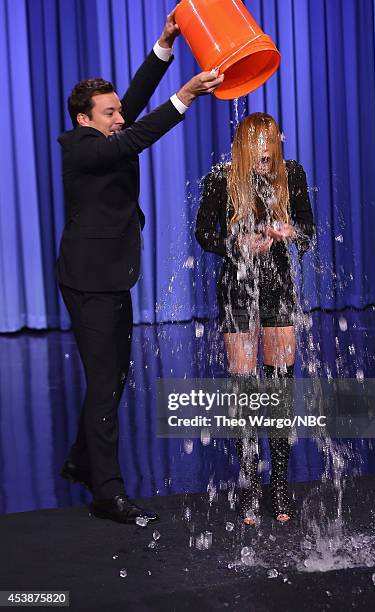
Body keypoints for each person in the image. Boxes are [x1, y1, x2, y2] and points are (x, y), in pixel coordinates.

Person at [58, 9, 224, 525]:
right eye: (108, 113)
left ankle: (82, 460)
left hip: (113, 276)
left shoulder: (105, 129)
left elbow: (132, 106)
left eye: (116, 111)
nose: (118, 117)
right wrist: (188, 95)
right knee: (106, 381)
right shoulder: (80, 147)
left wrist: (165, 45)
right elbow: (133, 138)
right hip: (89, 281)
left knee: (116, 376)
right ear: (85, 119)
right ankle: (107, 493)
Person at [195, 113, 314, 525]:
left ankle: (279, 481)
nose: (266, 149)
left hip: (279, 289)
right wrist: (236, 241)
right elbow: (203, 233)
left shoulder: (292, 173)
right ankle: (249, 481)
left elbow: (311, 231)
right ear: (244, 145)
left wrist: (290, 233)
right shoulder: (221, 177)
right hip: (238, 291)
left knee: (279, 389)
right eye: (258, 142)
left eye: (271, 140)